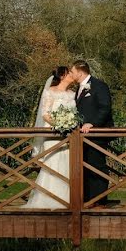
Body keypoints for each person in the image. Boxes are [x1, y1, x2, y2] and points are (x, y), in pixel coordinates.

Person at [21, 66, 75, 209]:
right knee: (53, 163)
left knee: (66, 164)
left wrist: (70, 124)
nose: (72, 75)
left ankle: (67, 199)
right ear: (63, 75)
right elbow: (45, 114)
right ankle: (47, 198)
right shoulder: (50, 92)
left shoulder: (72, 94)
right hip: (53, 134)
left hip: (69, 136)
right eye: (69, 73)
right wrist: (60, 125)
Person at [70, 60, 113, 205]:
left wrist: (93, 123)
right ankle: (88, 199)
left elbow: (105, 107)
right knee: (85, 166)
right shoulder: (78, 89)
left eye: (72, 72)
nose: (71, 74)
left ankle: (100, 200)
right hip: (82, 136)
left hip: (96, 135)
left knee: (97, 166)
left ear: (80, 72)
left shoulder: (99, 86)